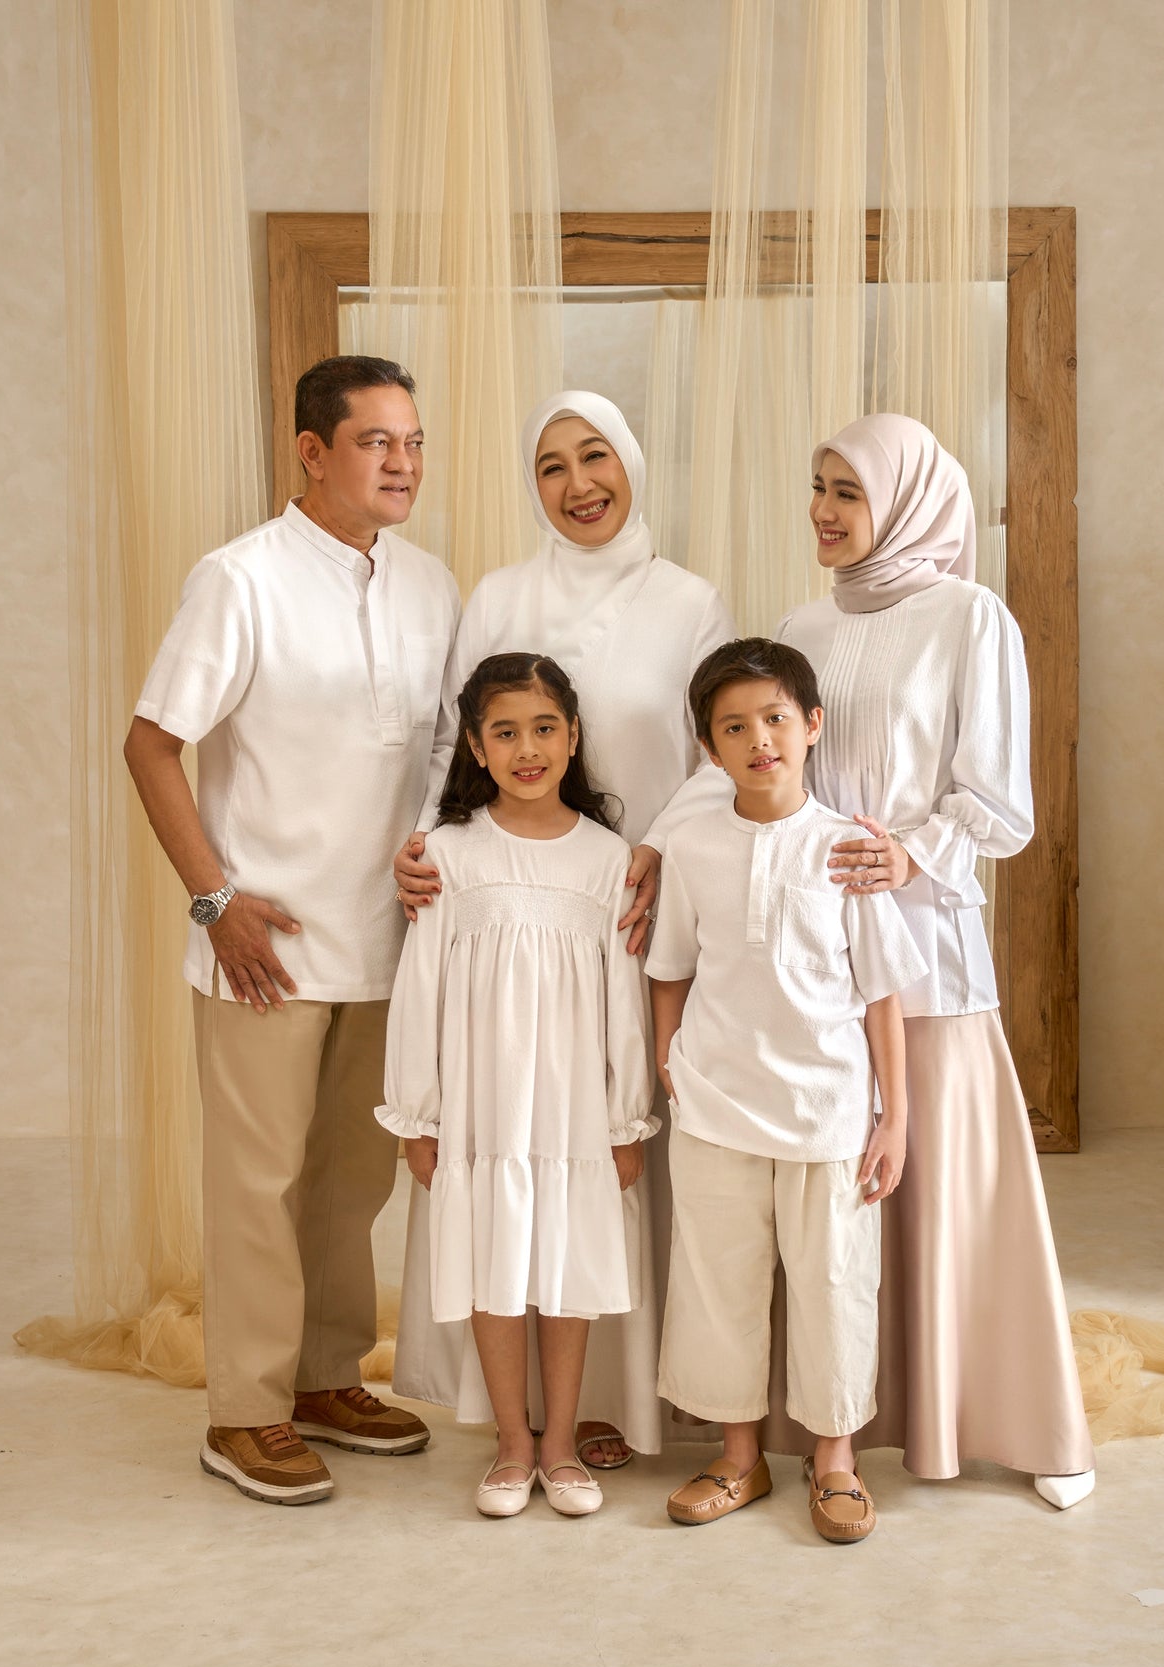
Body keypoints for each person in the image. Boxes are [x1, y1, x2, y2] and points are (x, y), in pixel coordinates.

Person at [123, 356, 459, 1506]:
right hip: (263, 945)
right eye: (376, 442)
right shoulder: (241, 580)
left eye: (413, 441)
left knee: (350, 1183)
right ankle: (246, 1412)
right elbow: (151, 743)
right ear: (312, 452)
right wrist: (214, 901)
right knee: (258, 1186)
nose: (403, 463)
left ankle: (324, 1377)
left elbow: (438, 749)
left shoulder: (431, 586)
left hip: (388, 939)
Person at [391, 390, 735, 1466]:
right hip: (502, 906)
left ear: (631, 463)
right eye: (552, 466)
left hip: (632, 904)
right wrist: (422, 843)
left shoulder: (689, 602)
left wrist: (655, 850)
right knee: (509, 1135)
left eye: (596, 457)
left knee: (616, 1146)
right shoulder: (500, 595)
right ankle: (512, 1416)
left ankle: (613, 1401)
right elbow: (449, 740)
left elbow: (716, 756)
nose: (579, 484)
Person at [775, 412, 1096, 1510]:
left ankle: (1018, 1422)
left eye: (848, 492)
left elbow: (999, 803)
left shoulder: (971, 617)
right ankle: (839, 1419)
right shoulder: (799, 628)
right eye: (818, 486)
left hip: (927, 943)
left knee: (956, 1194)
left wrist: (909, 852)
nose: (823, 510)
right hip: (818, 954)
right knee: (833, 1191)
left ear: (906, 502)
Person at [646, 638, 926, 1542]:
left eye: (773, 718)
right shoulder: (691, 846)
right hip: (716, 1105)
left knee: (834, 1283)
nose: (757, 739)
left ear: (811, 725)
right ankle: (738, 1459)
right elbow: (670, 968)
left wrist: (894, 1118)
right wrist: (668, 1061)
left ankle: (835, 1462)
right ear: (708, 747)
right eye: (733, 727)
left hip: (829, 1112)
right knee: (716, 1284)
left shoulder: (848, 848)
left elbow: (881, 995)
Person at [377, 653, 659, 1517]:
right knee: (492, 1264)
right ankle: (510, 1444)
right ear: (476, 745)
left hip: (575, 1109)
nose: (527, 750)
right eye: (505, 733)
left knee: (567, 1267)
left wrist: (625, 1120)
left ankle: (561, 1444)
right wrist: (418, 1116)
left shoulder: (608, 859)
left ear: (573, 737)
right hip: (482, 1105)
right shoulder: (449, 854)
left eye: (544, 729)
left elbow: (624, 1001)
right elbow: (420, 986)